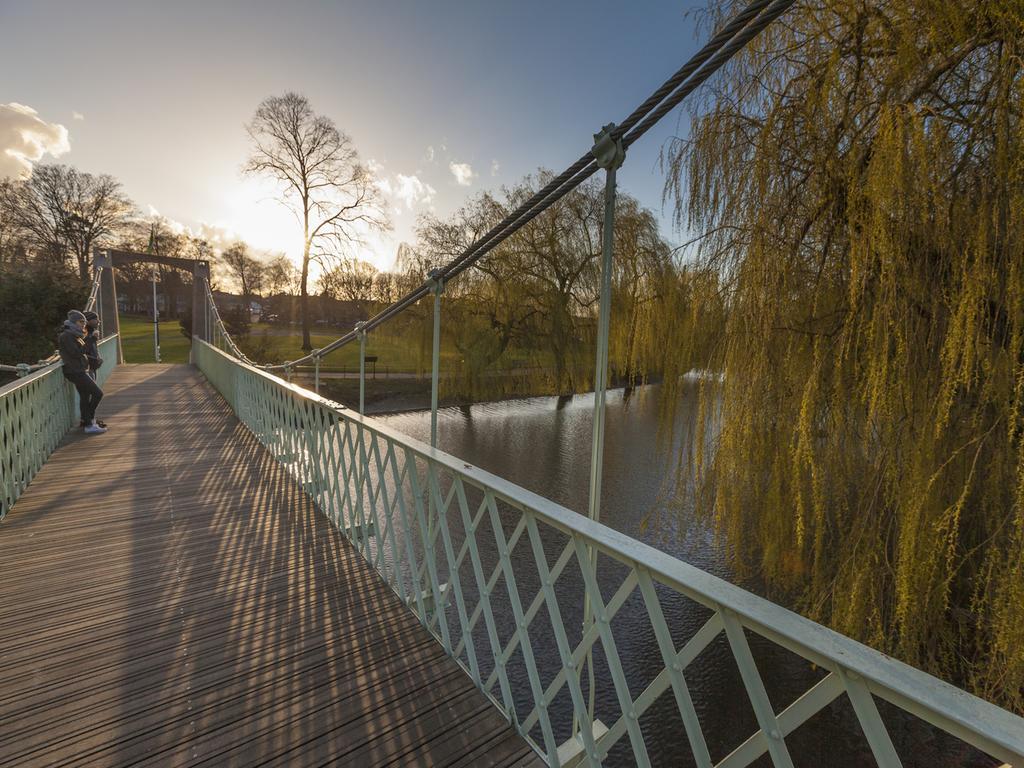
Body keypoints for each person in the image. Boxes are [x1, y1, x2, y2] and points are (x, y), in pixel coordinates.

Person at [58, 309, 107, 435]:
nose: (83, 324)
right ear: (74, 322)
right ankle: (89, 420)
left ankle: (88, 423)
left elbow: (79, 353)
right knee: (98, 393)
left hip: (79, 370)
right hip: (75, 371)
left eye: (84, 322)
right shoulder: (67, 336)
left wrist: (94, 359)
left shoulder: (74, 335)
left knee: (85, 397)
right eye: (81, 321)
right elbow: (76, 353)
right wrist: (92, 340)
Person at [82, 311, 107, 428]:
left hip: (91, 368)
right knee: (93, 395)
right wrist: (93, 339)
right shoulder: (85, 333)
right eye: (96, 319)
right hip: (87, 369)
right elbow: (82, 351)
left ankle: (89, 419)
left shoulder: (91, 333)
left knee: (88, 396)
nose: (98, 321)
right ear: (88, 321)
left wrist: (97, 359)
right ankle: (89, 420)